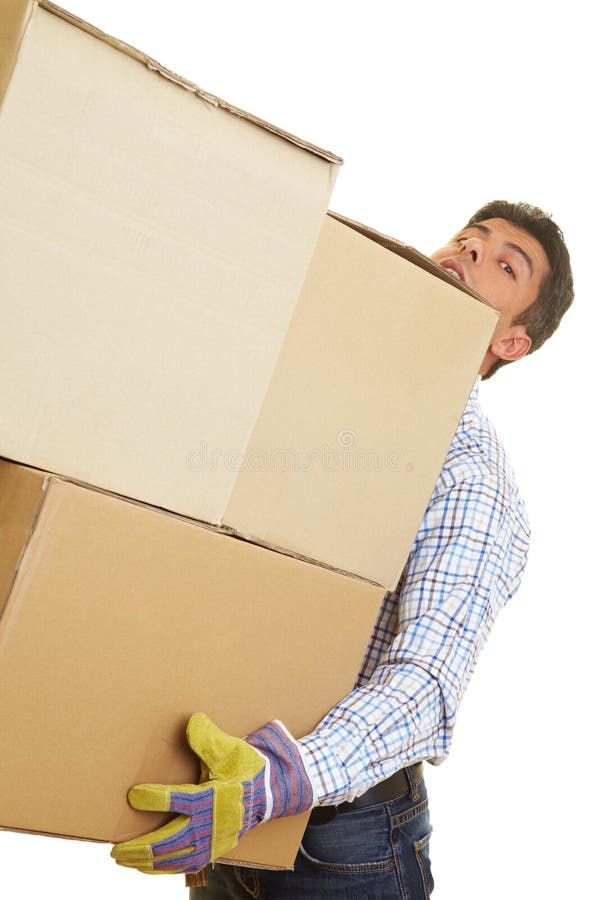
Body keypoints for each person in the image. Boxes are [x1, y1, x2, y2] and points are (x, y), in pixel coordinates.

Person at [111, 200, 574, 899]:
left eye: (505, 264)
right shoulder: (332, 411)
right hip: (238, 806)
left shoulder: (471, 479)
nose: (472, 254)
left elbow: (424, 690)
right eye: (468, 241)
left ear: (511, 342)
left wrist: (282, 782)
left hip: (344, 844)